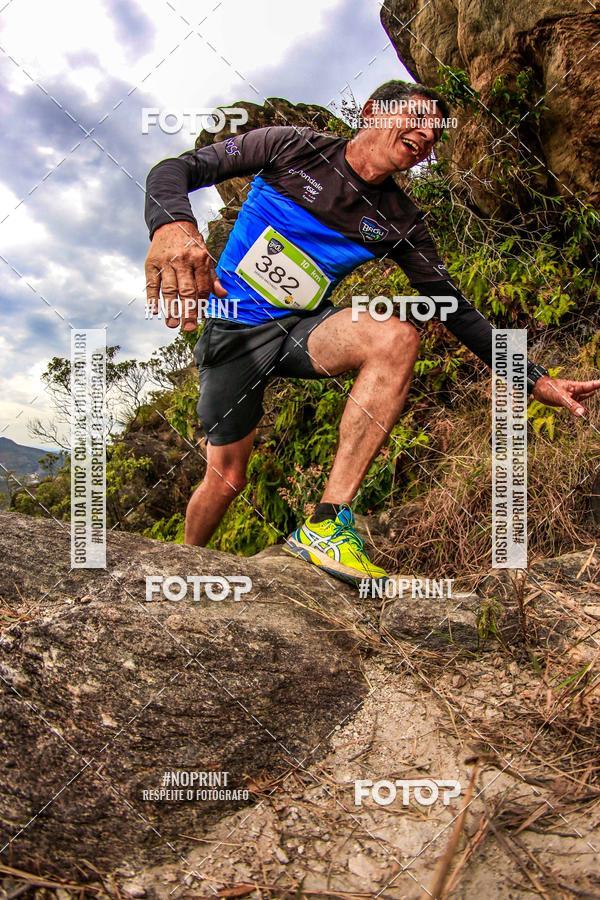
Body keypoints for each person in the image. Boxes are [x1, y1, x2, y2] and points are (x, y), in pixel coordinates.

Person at [144, 80, 599, 586]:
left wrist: (534, 378)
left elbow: (453, 308)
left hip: (302, 330)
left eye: (435, 134)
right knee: (227, 478)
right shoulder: (289, 146)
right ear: (371, 112)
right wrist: (173, 226)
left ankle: (325, 525)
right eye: (417, 120)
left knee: (396, 336)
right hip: (235, 329)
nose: (426, 137)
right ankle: (182, 564)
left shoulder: (400, 219)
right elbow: (174, 170)